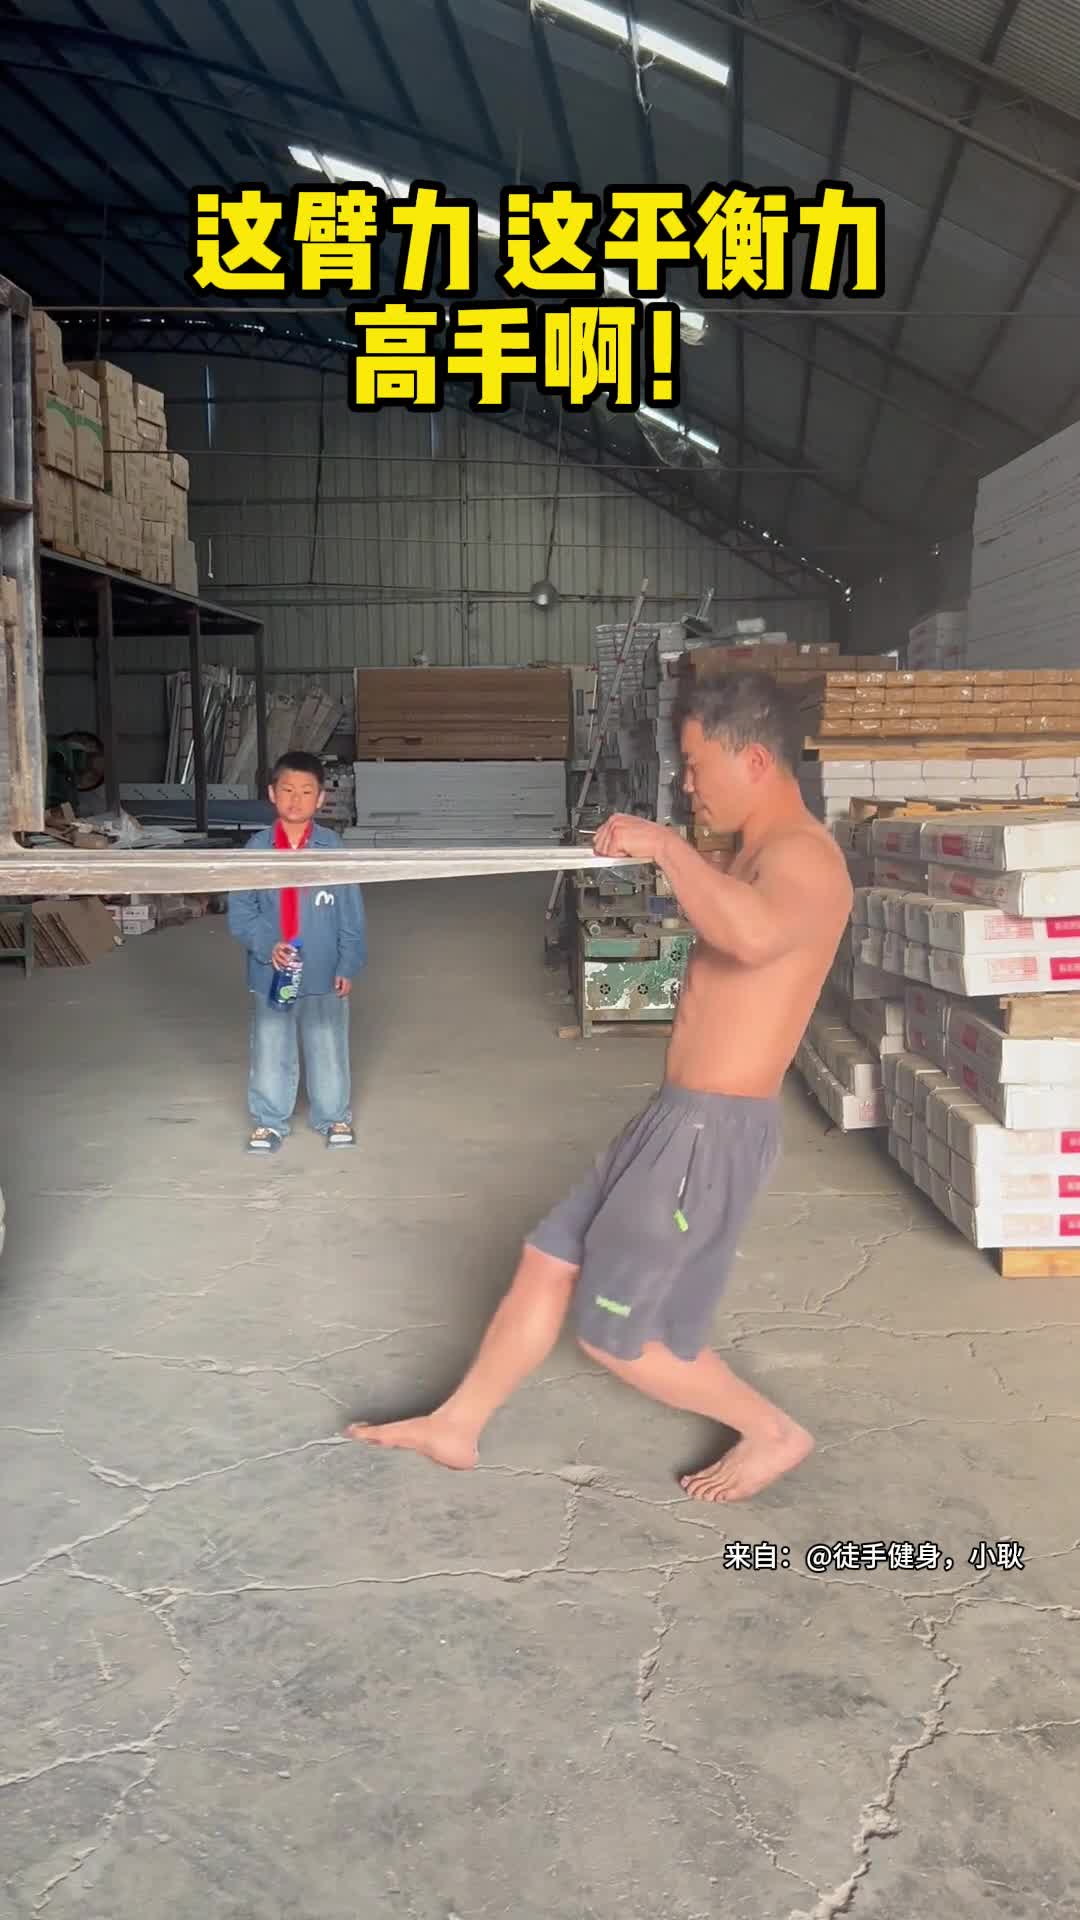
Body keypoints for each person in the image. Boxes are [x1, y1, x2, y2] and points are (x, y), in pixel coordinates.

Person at [347, 670, 852, 1501]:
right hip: (675, 1120)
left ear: (755, 761)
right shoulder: (755, 852)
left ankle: (771, 1431)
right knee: (549, 1257)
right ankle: (457, 1425)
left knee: (620, 1338)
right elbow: (729, 915)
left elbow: (755, 937)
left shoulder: (803, 856)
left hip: (707, 1133)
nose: (688, 786)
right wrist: (668, 852)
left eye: (697, 766)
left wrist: (668, 848)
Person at [228, 751, 367, 1155]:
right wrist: (265, 944)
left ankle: (334, 1115)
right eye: (287, 790)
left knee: (327, 1042)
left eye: (306, 791)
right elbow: (241, 911)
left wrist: (348, 963)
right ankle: (269, 1121)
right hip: (271, 969)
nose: (296, 799)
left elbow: (351, 913)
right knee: (271, 1044)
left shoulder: (332, 849)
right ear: (272, 793)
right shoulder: (256, 850)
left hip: (324, 967)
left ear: (320, 799)